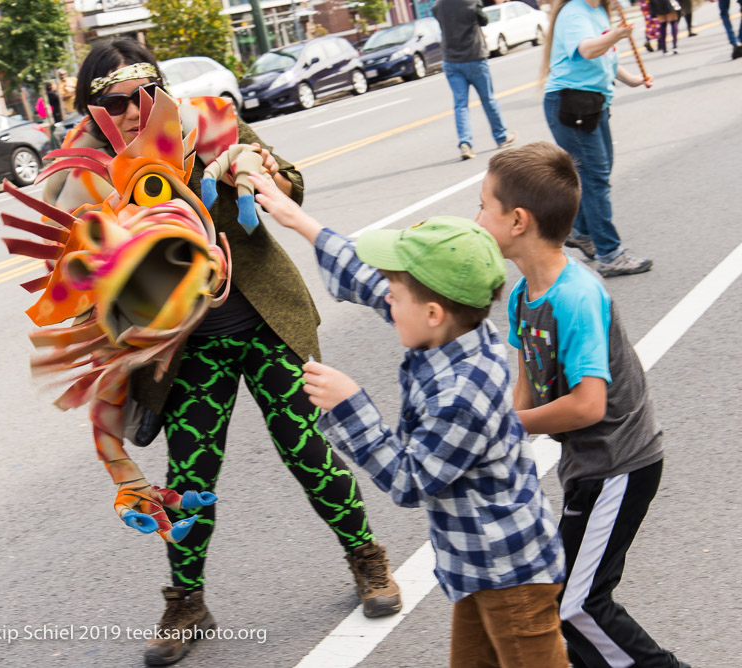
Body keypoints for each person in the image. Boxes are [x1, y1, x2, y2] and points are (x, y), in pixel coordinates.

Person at [44, 38, 402, 667]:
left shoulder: (208, 125)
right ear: (94, 115)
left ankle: (367, 558)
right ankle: (187, 602)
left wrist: (254, 169)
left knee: (306, 449)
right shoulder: (94, 179)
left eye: (144, 95)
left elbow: (291, 181)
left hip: (264, 322)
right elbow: (71, 272)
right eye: (116, 103)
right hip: (190, 353)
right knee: (189, 481)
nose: (133, 111)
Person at [250, 171, 568, 668]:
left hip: (512, 577)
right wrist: (298, 221)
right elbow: (373, 282)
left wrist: (349, 404)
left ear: (434, 312)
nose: (386, 301)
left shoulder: (466, 391)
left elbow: (409, 479)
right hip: (474, 566)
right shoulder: (449, 328)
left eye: (395, 297)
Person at [477, 141, 691, 668]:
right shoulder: (525, 295)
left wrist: (507, 424)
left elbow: (589, 405)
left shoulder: (576, 294)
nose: (476, 216)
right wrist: (494, 442)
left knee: (574, 604)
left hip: (621, 464)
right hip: (589, 466)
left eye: (484, 205)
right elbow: (524, 392)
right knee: (561, 596)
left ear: (518, 221)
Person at [542, 0, 654, 278]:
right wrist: (615, 35)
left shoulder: (596, 11)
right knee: (595, 178)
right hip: (571, 103)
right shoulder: (575, 12)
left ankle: (581, 231)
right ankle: (609, 254)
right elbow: (587, 49)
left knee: (595, 175)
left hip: (592, 103)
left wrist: (631, 79)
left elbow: (605, 54)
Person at [432, 0, 518, 160]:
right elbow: (484, 20)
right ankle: (501, 137)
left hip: (451, 60)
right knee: (488, 99)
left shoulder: (438, 5)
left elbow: (441, 19)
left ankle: (465, 143)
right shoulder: (471, 1)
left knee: (460, 104)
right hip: (474, 57)